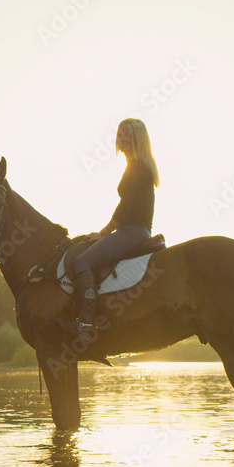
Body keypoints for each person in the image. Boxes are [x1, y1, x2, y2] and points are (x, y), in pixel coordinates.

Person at [71, 118, 159, 343]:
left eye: (128, 134)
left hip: (132, 231)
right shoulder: (138, 165)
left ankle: (86, 321)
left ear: (138, 138)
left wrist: (103, 233)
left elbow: (126, 206)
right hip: (135, 229)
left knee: (81, 262)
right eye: (120, 134)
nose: (122, 139)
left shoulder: (138, 166)